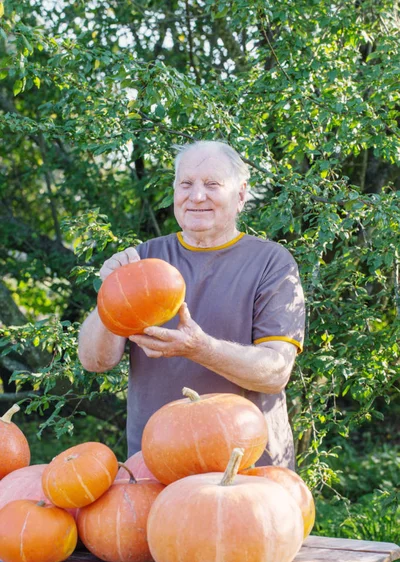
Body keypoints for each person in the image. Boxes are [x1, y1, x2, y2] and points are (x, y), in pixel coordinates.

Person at [78, 141, 305, 469]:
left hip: (248, 467)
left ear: (240, 195)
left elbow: (275, 372)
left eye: (212, 185)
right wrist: (111, 293)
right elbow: (95, 360)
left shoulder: (272, 263)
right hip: (157, 465)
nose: (197, 196)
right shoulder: (143, 261)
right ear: (174, 191)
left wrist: (200, 348)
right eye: (186, 184)